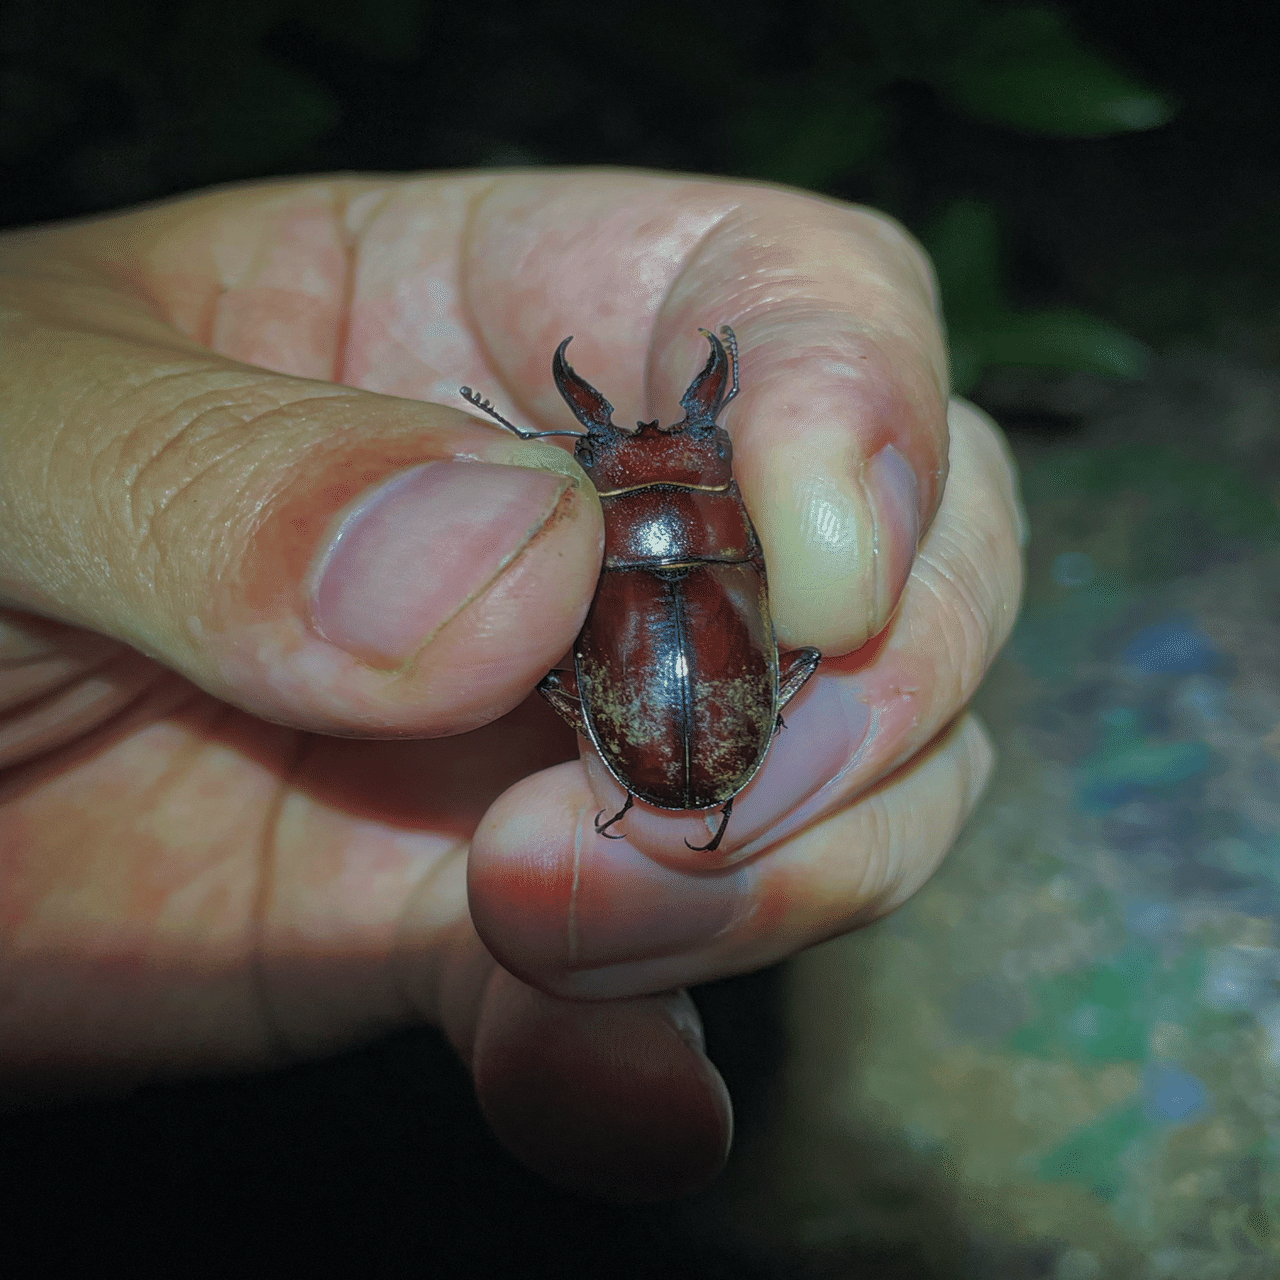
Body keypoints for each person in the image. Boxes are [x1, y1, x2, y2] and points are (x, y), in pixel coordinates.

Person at [0, 170, 1023, 1201]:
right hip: (692, 742)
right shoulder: (737, 554)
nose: (639, 454)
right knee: (812, 639)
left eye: (676, 453)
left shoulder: (625, 554)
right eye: (607, 456)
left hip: (647, 742)